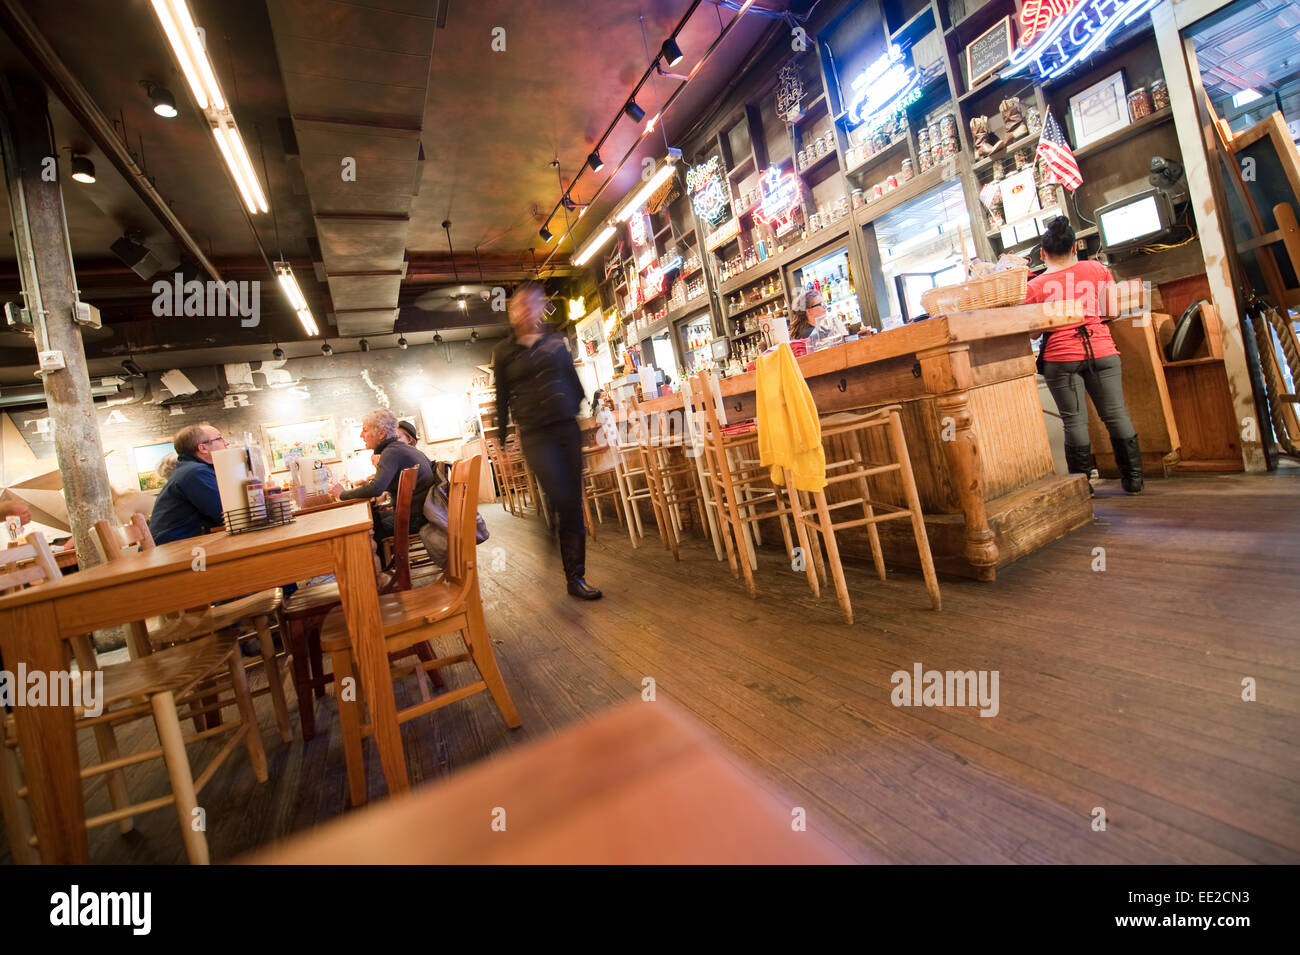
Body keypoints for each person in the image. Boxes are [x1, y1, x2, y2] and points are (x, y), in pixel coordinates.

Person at [492, 282, 601, 599]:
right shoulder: (503, 352)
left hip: (566, 428)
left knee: (572, 503)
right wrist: (501, 440)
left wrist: (578, 405)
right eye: (520, 306)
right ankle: (553, 529)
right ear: (513, 312)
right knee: (561, 497)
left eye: (533, 304)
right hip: (536, 434)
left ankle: (575, 578)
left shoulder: (556, 341)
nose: (527, 310)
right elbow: (501, 398)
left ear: (541, 308)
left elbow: (574, 380)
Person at [1024, 216, 1142, 493]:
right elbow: (1111, 311)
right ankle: (1133, 480)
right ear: (1075, 247)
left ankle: (1083, 487)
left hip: (1060, 356)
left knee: (1074, 421)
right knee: (1115, 414)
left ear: (1043, 253)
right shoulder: (1097, 269)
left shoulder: (1034, 286)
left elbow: (1032, 333)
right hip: (1101, 349)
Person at [331, 408, 432, 540]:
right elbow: (380, 485)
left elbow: (376, 489)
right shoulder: (401, 449)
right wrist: (368, 485)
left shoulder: (390, 452)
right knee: (372, 517)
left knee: (365, 528)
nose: (361, 435)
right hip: (421, 514)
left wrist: (342, 494)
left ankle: (382, 560)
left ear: (382, 433)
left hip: (413, 520)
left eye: (365, 430)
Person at [149, 423, 227, 544]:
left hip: (180, 543)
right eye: (220, 438)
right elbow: (225, 514)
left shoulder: (192, 469)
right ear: (203, 448)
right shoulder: (196, 473)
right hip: (173, 548)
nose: (226, 443)